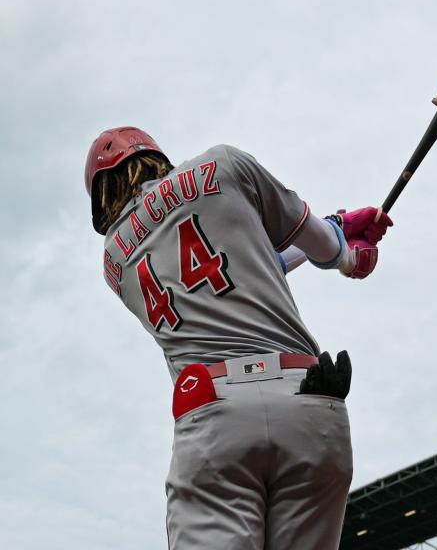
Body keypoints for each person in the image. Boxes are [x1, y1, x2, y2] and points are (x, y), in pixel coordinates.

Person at [85, 127, 392, 549]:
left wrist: (338, 231)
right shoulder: (223, 162)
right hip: (308, 396)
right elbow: (314, 249)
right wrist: (346, 250)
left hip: (215, 413)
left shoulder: (114, 261)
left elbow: (234, 270)